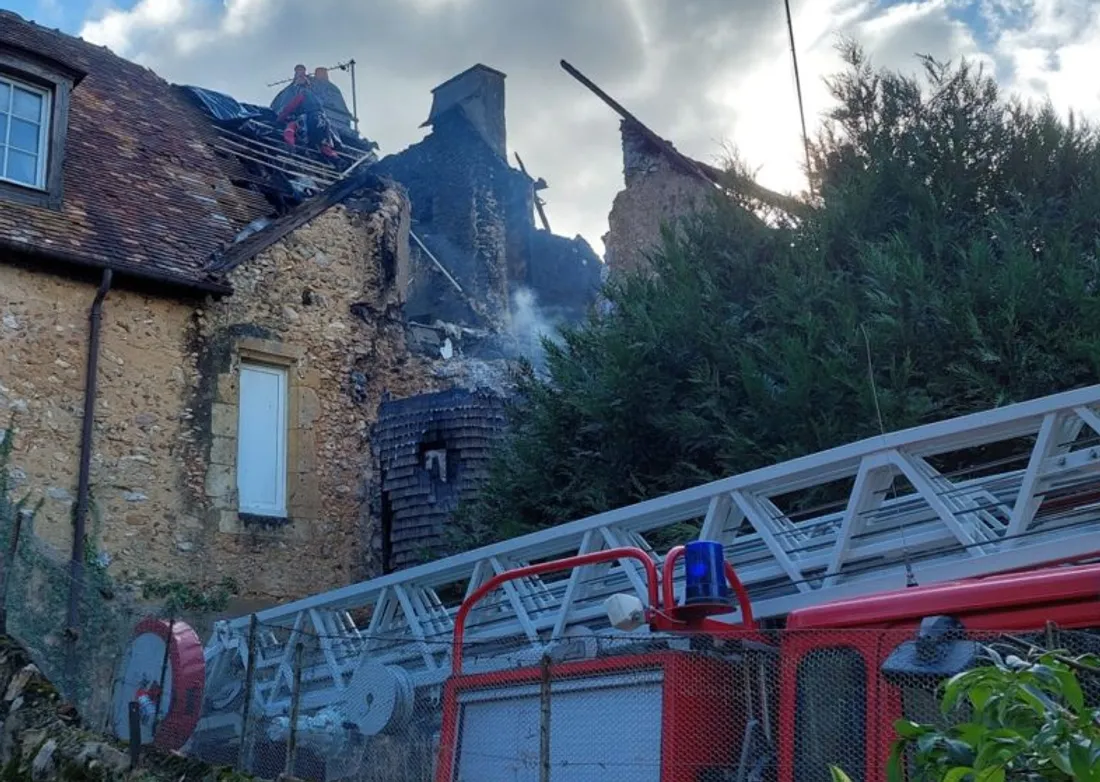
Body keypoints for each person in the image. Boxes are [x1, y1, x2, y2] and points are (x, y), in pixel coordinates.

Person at [274, 65, 340, 161]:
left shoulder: (302, 94)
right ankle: (336, 159)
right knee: (323, 143)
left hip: (310, 120)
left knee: (290, 128)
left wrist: (279, 120)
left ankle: (290, 148)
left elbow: (289, 108)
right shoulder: (316, 98)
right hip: (322, 122)